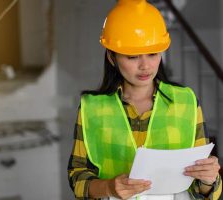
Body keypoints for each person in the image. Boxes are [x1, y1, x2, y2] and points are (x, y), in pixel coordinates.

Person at [67, 0, 222, 199]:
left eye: (152, 54)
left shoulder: (186, 102)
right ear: (112, 57)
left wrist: (209, 179)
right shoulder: (92, 107)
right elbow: (76, 175)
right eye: (132, 57)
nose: (145, 66)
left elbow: (202, 187)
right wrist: (108, 188)